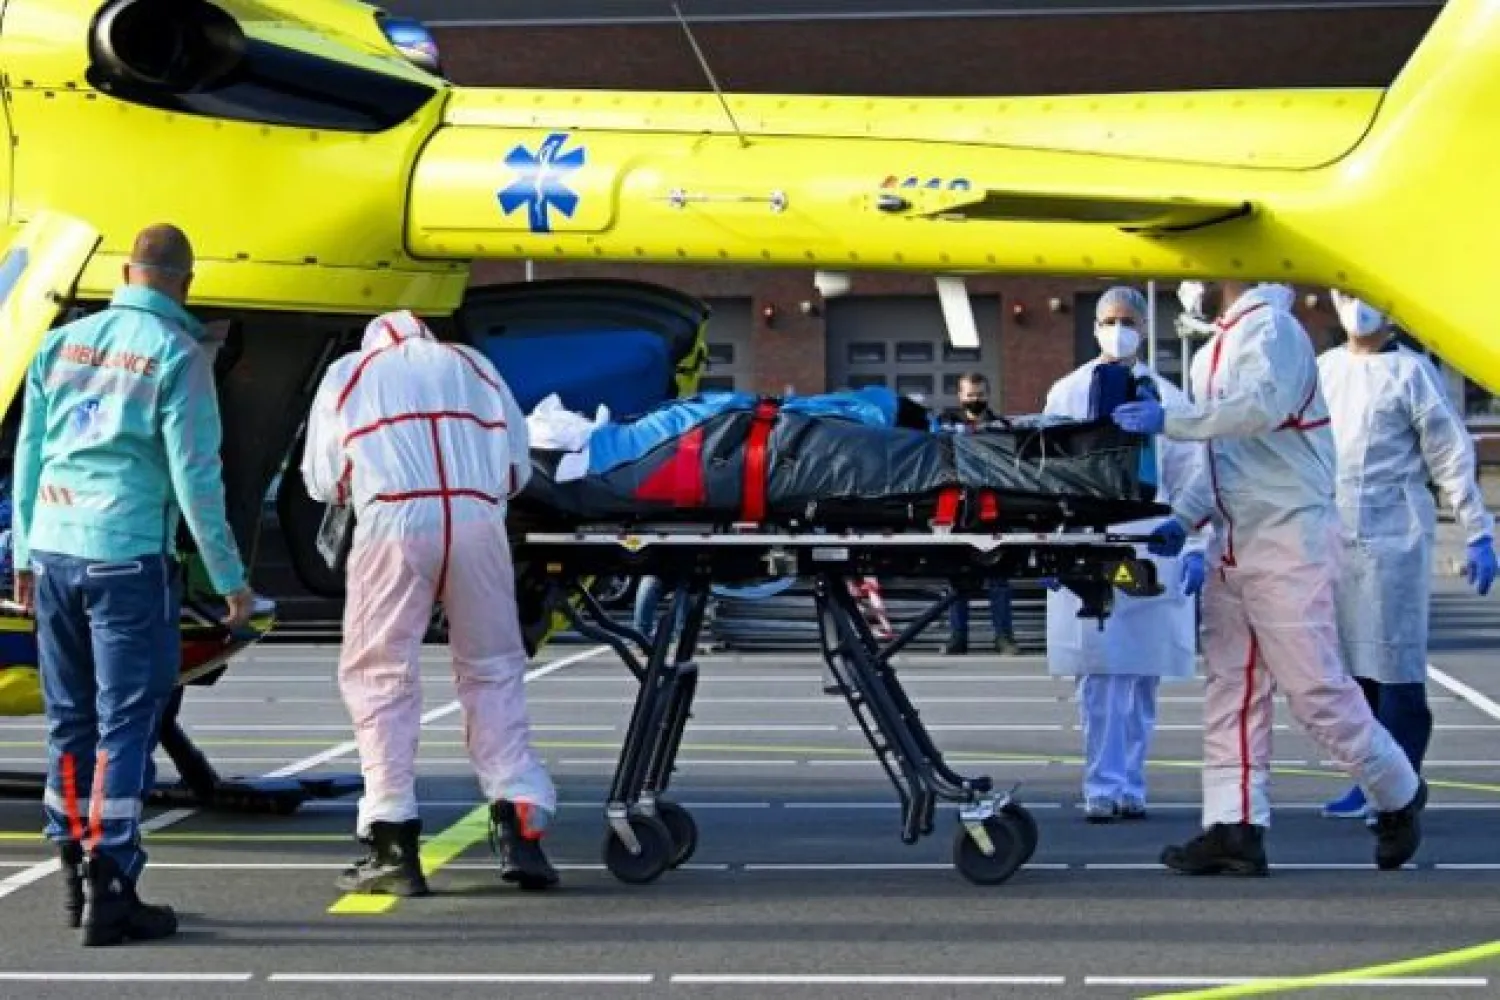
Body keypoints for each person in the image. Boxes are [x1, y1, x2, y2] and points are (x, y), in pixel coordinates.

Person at [1110, 279, 1427, 875]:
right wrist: (1182, 517)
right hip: (1233, 539)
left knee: (1315, 690)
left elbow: (1259, 409)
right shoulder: (1216, 348)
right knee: (1231, 689)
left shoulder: (1276, 333)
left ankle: (1398, 792)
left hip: (1287, 537)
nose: (1189, 280)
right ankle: (1234, 826)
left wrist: (1170, 418)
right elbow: (1221, 454)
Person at [10, 223, 254, 945]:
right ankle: (111, 885)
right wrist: (231, 581)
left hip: (52, 551)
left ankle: (70, 868)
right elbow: (195, 479)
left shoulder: (59, 343)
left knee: (69, 717)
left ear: (124, 271)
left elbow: (30, 454)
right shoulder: (177, 355)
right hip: (126, 559)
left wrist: (24, 554)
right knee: (125, 723)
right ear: (185, 284)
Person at [301, 308, 559, 896]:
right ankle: (521, 823)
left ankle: (392, 840)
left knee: (381, 676)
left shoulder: (352, 372)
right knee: (493, 670)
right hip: (477, 520)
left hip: (393, 520)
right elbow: (518, 469)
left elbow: (325, 478)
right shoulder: (477, 367)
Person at [1315, 291, 1496, 819]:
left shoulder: (1412, 373)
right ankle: (1368, 779)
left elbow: (1450, 453)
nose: (1357, 307)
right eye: (1347, 295)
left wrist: (1477, 530)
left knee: (1394, 669)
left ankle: (1401, 785)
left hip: (1394, 538)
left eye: (1367, 296)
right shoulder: (1325, 370)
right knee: (1352, 675)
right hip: (1334, 536)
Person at [1042, 287, 1205, 823]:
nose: (1118, 329)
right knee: (1099, 671)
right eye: (1109, 321)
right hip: (1089, 542)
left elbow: (1192, 474)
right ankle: (1101, 784)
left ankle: (1131, 783)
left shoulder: (1168, 398)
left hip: (1152, 541)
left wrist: (1195, 539)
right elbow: (1047, 472)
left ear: (1145, 326)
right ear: (1094, 327)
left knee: (1141, 673)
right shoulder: (1067, 394)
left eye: (1128, 321)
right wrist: (1048, 543)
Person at [934, 374, 1019, 655]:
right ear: (960, 396)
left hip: (992, 508)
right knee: (955, 577)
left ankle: (1004, 638)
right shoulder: (944, 425)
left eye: (980, 394)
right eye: (970, 395)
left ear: (988, 394)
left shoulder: (1001, 427)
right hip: (955, 508)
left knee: (999, 578)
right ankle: (957, 638)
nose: (976, 400)